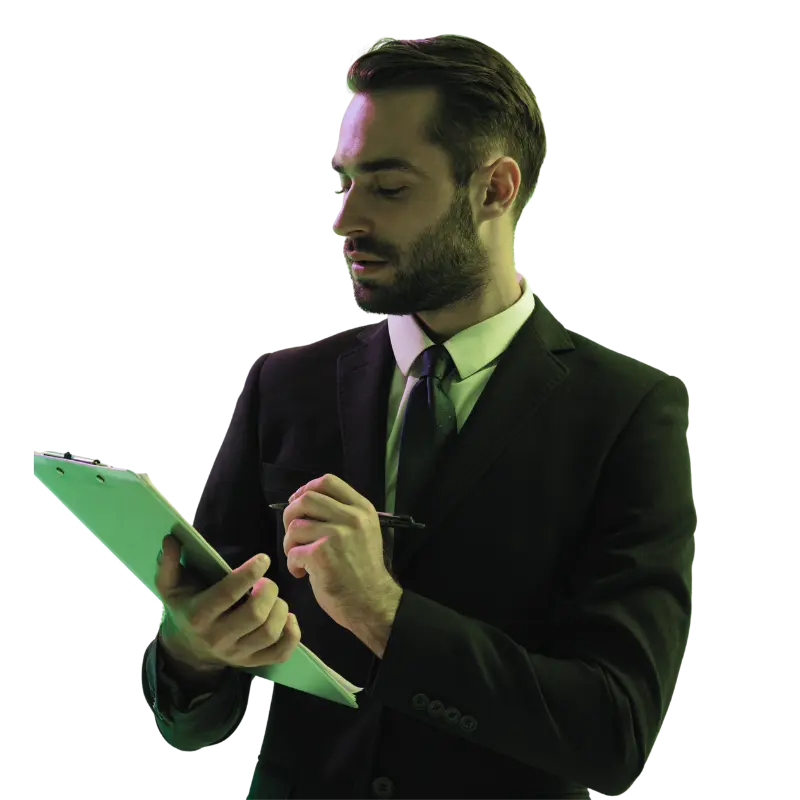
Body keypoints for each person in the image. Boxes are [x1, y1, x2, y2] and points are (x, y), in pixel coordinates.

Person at [142, 34, 694, 800]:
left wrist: (384, 612)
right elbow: (195, 720)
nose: (344, 220)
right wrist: (191, 652)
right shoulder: (283, 385)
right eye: (342, 182)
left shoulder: (630, 412)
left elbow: (614, 735)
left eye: (389, 187)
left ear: (495, 188)